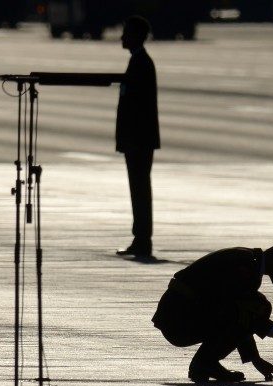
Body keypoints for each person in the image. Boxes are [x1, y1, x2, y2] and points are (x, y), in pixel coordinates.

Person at [152, 231, 273, 382]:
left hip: (180, 314)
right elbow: (235, 313)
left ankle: (205, 364)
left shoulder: (249, 262)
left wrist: (256, 359)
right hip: (178, 320)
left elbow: (237, 315)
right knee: (259, 306)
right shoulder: (245, 267)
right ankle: (204, 365)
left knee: (256, 306)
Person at [115, 16, 160, 257]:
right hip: (138, 139)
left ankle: (142, 239)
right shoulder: (139, 61)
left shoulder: (141, 62)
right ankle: (140, 237)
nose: (122, 38)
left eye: (126, 33)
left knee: (140, 189)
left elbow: (137, 108)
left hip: (139, 140)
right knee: (139, 188)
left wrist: (129, 140)